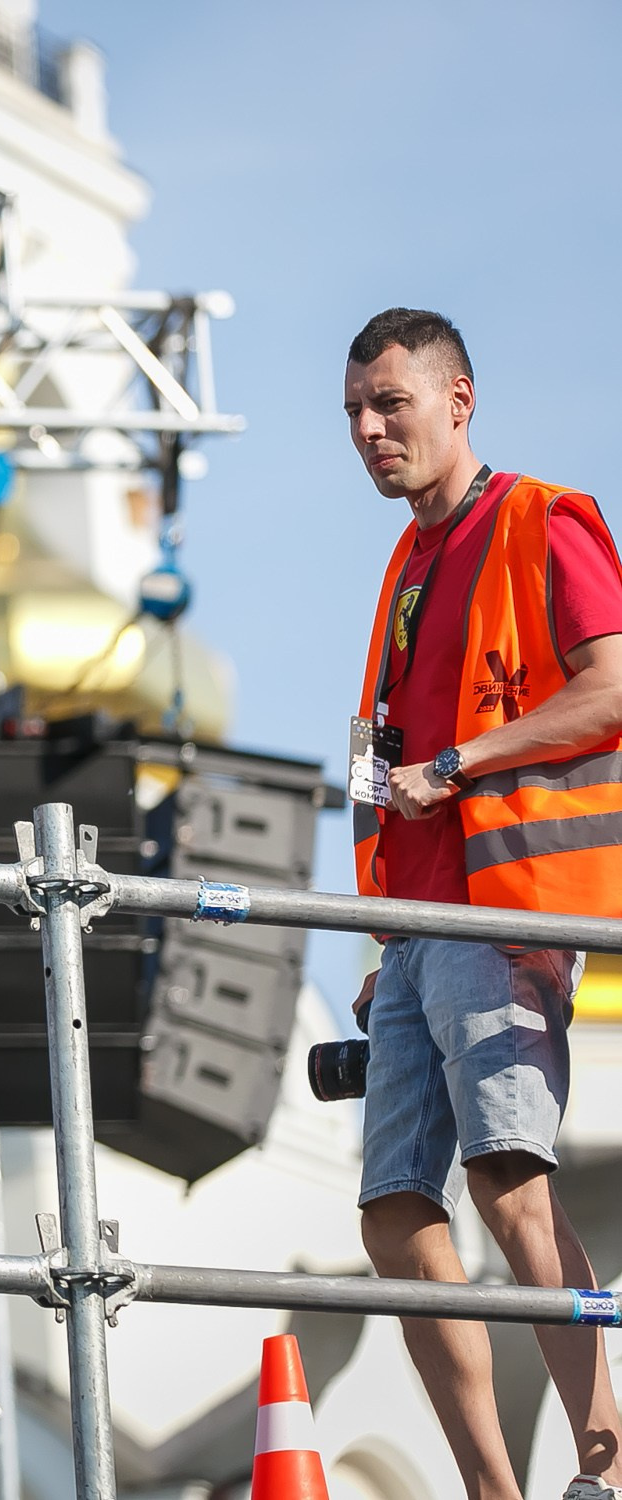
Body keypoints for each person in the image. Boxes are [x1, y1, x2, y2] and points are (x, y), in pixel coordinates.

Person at [344, 307, 622, 1500]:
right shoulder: (408, 566)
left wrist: (459, 766)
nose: (369, 430)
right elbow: (379, 765)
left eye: (390, 404)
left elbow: (611, 689)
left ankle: (606, 1464)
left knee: (513, 1186)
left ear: (459, 401)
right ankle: (492, 1493)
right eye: (356, 412)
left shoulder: (541, 520)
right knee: (395, 1219)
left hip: (499, 915)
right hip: (415, 932)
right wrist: (378, 931)